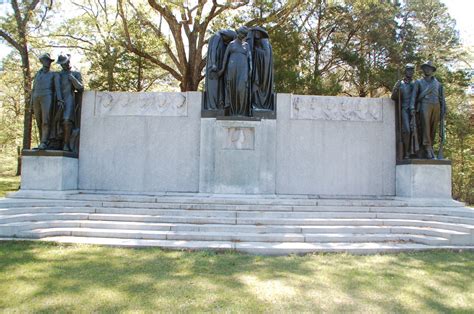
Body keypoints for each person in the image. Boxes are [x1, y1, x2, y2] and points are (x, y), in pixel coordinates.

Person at [409, 61, 446, 159]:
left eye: (429, 68)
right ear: (423, 69)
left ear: (432, 70)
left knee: (433, 128)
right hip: (425, 105)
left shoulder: (438, 84)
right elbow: (414, 96)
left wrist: (443, 110)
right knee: (425, 127)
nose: (427, 69)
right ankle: (427, 147)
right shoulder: (419, 82)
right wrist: (412, 107)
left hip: (436, 106)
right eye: (426, 68)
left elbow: (442, 98)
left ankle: (430, 146)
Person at [31, 53, 63, 150]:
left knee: (46, 120)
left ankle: (44, 142)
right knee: (39, 121)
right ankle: (42, 141)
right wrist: (31, 103)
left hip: (47, 96)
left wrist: (60, 99)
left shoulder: (53, 74)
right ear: (42, 61)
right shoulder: (37, 74)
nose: (47, 62)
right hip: (36, 97)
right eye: (45, 60)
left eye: (48, 61)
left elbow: (57, 88)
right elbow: (33, 89)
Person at [218, 26, 252, 116]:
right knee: (232, 89)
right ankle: (233, 112)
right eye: (242, 34)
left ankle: (242, 112)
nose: (244, 36)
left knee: (242, 89)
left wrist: (250, 69)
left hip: (243, 69)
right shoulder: (231, 44)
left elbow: (250, 59)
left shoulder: (247, 45)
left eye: (245, 34)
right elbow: (225, 58)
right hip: (232, 69)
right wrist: (222, 69)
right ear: (238, 33)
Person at [56, 54, 84, 152]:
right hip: (57, 100)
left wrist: (72, 79)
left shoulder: (75, 74)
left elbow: (80, 88)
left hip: (69, 100)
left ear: (68, 62)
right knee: (55, 123)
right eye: (61, 64)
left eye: (65, 63)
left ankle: (66, 144)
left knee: (67, 121)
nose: (63, 65)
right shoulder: (57, 75)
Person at [204, 29, 236, 110]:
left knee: (219, 87)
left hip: (218, 68)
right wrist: (214, 63)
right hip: (214, 68)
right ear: (226, 36)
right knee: (214, 88)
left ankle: (218, 105)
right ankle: (213, 106)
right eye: (229, 39)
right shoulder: (217, 37)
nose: (228, 42)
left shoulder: (221, 41)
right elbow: (213, 51)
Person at [391, 63, 416, 159]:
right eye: (408, 70)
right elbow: (393, 97)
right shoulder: (400, 83)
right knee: (407, 130)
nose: (410, 72)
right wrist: (396, 89)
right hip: (405, 110)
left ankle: (414, 151)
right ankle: (407, 152)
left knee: (415, 132)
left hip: (414, 111)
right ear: (405, 71)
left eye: (412, 70)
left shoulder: (415, 84)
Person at [247, 26, 274, 111]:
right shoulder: (258, 42)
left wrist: (256, 50)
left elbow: (266, 55)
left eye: (256, 33)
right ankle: (255, 104)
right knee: (255, 87)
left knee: (258, 85)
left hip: (262, 70)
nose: (254, 35)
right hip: (258, 68)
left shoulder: (264, 41)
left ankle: (259, 105)